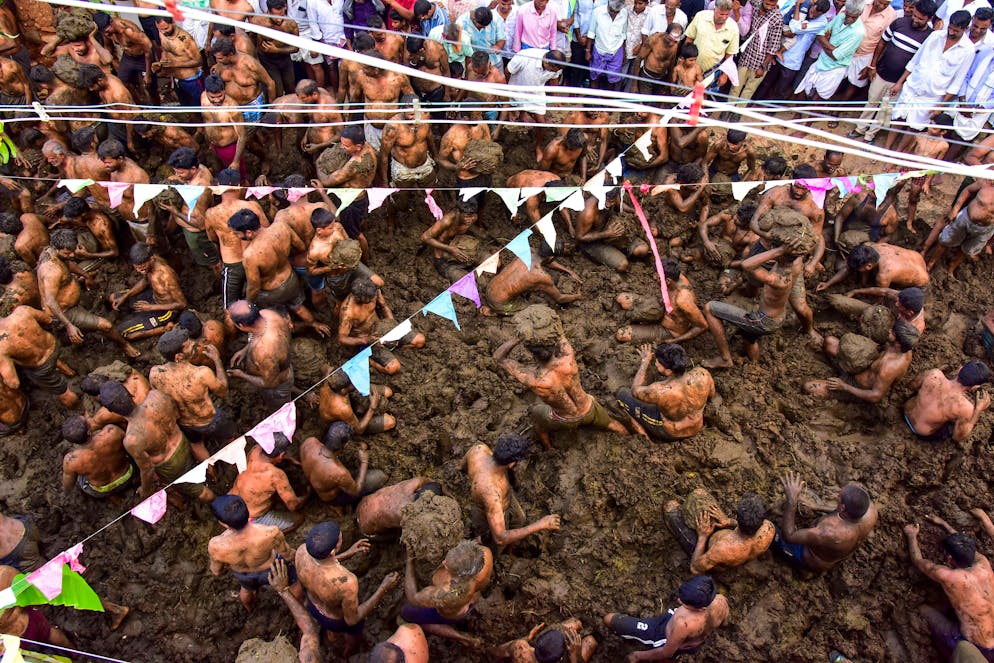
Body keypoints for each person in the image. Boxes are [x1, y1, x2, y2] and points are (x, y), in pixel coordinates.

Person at [493, 326, 629, 448]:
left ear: (533, 355)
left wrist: (518, 338)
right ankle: (629, 439)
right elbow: (559, 331)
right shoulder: (567, 358)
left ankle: (548, 448)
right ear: (553, 348)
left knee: (536, 418)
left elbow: (498, 357)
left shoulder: (534, 380)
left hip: (564, 420)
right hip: (589, 409)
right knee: (613, 424)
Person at [295, 521, 399, 657]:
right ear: (332, 551)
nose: (341, 536)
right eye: (339, 538)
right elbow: (352, 620)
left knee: (331, 628)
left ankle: (332, 636)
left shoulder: (302, 551)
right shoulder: (347, 582)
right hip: (335, 620)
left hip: (312, 605)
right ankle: (349, 652)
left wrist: (348, 553)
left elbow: (319, 565)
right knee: (354, 636)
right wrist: (384, 587)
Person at [99, 382, 214, 503]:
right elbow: (176, 413)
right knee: (199, 465)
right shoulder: (156, 396)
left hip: (170, 465)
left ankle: (216, 502)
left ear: (111, 410)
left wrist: (145, 490)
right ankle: (213, 476)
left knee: (197, 490)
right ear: (129, 393)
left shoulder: (132, 439)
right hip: (182, 440)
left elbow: (147, 469)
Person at [904, 512, 994, 660]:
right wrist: (943, 524)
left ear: (950, 558)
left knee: (921, 610)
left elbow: (918, 560)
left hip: (975, 646)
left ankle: (944, 653)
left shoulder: (948, 576)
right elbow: (966, 546)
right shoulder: (984, 563)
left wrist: (911, 535)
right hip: (991, 639)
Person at [37, 230, 139, 358]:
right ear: (56, 248)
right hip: (64, 311)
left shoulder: (55, 254)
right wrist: (69, 325)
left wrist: (86, 276)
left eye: (73, 250)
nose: (72, 254)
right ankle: (125, 345)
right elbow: (50, 301)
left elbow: (68, 265)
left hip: (70, 301)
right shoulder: (51, 271)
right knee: (106, 325)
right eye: (68, 253)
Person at [847, 0, 936, 143]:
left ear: (929, 19)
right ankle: (860, 129)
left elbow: (919, 63)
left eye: (920, 18)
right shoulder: (899, 23)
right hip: (881, 73)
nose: (915, 19)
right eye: (915, 15)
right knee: (872, 102)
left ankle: (870, 135)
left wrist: (901, 83)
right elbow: (882, 42)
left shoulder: (930, 38)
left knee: (886, 110)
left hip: (901, 82)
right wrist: (873, 66)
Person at [702, 244, 804, 368]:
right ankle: (755, 365)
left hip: (762, 321)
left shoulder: (777, 278)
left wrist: (778, 250)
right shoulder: (795, 264)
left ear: (781, 255)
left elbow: (746, 265)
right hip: (776, 317)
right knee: (748, 336)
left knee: (710, 308)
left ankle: (725, 359)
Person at [886, 10, 974, 151]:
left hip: (932, 96)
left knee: (914, 126)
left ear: (965, 29)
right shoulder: (935, 36)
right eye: (950, 28)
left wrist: (940, 106)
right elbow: (915, 60)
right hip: (913, 86)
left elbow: (956, 83)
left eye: (955, 30)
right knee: (898, 118)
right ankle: (887, 148)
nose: (951, 32)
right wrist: (899, 83)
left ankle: (897, 152)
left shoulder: (968, 50)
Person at [603, 575, 729, 662]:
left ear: (701, 608)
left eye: (685, 603)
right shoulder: (720, 601)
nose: (679, 601)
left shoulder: (683, 624)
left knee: (609, 619)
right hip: (688, 639)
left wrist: (637, 656)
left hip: (662, 636)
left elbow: (666, 652)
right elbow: (724, 621)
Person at [462, 436, 561, 546]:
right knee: (493, 544)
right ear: (511, 464)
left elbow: (461, 467)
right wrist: (541, 524)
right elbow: (500, 539)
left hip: (503, 500)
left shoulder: (478, 450)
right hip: (488, 516)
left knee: (520, 519)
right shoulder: (492, 494)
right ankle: (481, 542)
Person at [207, 494, 297, 611]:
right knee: (294, 585)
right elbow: (288, 554)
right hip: (271, 570)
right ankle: (296, 605)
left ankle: (249, 608)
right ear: (248, 512)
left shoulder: (215, 546)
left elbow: (216, 571)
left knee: (246, 591)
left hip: (244, 576)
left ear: (223, 523)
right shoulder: (270, 533)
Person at [774, 473, 878, 572]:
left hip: (811, 557)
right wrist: (817, 507)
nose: (836, 496)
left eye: (839, 497)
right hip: (838, 549)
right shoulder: (871, 512)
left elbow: (789, 536)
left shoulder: (829, 532)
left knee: (772, 532)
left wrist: (791, 499)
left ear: (842, 508)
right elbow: (842, 512)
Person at [401, 539, 493, 646]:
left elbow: (413, 598)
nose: (443, 562)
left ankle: (461, 637)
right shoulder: (484, 553)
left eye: (447, 565)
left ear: (461, 575)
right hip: (471, 600)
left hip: (448, 612)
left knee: (406, 613)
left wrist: (410, 559)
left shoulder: (448, 593)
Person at [615, 343, 715, 441]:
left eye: (658, 363)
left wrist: (645, 362)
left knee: (622, 394)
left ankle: (644, 435)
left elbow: (635, 390)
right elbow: (711, 394)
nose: (656, 363)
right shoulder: (703, 374)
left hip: (671, 431)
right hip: (696, 426)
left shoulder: (659, 390)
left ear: (668, 371)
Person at [805, 318, 920, 402]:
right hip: (858, 365)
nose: (890, 331)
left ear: (898, 344)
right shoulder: (901, 347)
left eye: (893, 333)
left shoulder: (888, 368)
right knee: (829, 342)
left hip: (855, 385)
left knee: (809, 387)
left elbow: (875, 396)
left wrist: (844, 387)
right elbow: (878, 347)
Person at [664, 490, 775, 573]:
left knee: (670, 507)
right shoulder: (768, 529)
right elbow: (747, 529)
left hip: (711, 555)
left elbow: (694, 568)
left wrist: (703, 536)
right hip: (733, 552)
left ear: (737, 516)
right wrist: (728, 521)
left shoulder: (722, 549)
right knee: (700, 493)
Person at [204, 172, 271, 309]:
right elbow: (266, 229)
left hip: (232, 263)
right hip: (256, 257)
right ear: (240, 186)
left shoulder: (211, 213)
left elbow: (212, 238)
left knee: (230, 307)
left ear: (218, 186)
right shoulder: (252, 206)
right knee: (262, 297)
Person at [0, 304, 78, 409]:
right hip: (53, 346)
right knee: (49, 359)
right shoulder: (22, 311)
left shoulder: (1, 347)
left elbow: (14, 383)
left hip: (41, 365)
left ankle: (78, 407)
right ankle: (69, 372)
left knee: (62, 392)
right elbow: (48, 320)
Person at [482, 239, 582, 316]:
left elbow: (546, 261)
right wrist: (578, 296)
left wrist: (569, 271)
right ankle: (494, 312)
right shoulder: (541, 276)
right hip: (499, 303)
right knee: (542, 307)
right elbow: (560, 298)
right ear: (551, 257)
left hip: (489, 288)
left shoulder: (527, 250)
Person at [110, 242, 187, 341]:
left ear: (151, 259)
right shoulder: (148, 265)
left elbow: (182, 304)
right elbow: (145, 280)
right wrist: (126, 296)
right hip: (152, 296)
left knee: (122, 332)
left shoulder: (166, 276)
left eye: (141, 267)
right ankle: (137, 315)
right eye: (136, 267)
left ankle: (164, 329)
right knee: (113, 298)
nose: (138, 271)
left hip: (165, 311)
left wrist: (151, 307)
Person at [794, 0, 866, 104]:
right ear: (845, 10)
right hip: (820, 62)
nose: (850, 19)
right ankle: (798, 112)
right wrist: (832, 47)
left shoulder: (858, 33)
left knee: (819, 100)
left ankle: (809, 115)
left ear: (860, 14)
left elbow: (836, 56)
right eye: (848, 15)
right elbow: (820, 34)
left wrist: (826, 42)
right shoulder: (840, 17)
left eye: (853, 17)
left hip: (834, 69)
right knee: (803, 91)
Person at [921, 177, 994, 279]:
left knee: (968, 250)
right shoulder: (986, 183)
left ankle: (951, 269)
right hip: (966, 218)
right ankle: (931, 263)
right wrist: (955, 210)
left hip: (986, 228)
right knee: (945, 240)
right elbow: (968, 190)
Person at [227, 301, 295, 409]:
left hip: (277, 387)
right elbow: (257, 335)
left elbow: (271, 383)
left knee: (280, 409)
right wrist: (245, 350)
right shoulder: (269, 314)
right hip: (280, 366)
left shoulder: (263, 352)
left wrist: (241, 375)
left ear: (241, 326)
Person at [903, 360, 992, 442]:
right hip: (920, 431)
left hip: (906, 411)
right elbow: (958, 437)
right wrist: (978, 410)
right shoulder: (964, 407)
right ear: (975, 386)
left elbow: (911, 386)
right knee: (949, 429)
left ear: (960, 369)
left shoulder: (934, 374)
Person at [300, 422, 386, 503]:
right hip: (331, 496)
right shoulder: (340, 473)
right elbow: (355, 491)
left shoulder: (309, 442)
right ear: (344, 445)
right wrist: (364, 462)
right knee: (381, 476)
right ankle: (336, 505)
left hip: (317, 482)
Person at [504, 49, 565, 159]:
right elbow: (507, 71)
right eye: (551, 69)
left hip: (536, 93)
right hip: (517, 89)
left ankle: (538, 147)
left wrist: (556, 98)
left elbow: (554, 78)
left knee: (541, 123)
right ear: (546, 62)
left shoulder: (556, 66)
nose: (553, 72)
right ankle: (522, 114)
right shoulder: (524, 57)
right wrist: (509, 90)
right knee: (515, 112)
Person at [163, 147, 217, 269]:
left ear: (193, 169)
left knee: (212, 263)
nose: (177, 175)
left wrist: (175, 212)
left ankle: (215, 274)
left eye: (181, 173)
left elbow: (201, 224)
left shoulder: (198, 191)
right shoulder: (200, 167)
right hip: (187, 222)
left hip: (197, 234)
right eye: (176, 172)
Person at [60, 414, 134, 499]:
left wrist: (65, 493)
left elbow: (68, 484)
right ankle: (134, 481)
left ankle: (113, 497)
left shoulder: (70, 461)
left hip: (102, 490)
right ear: (89, 431)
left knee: (78, 477)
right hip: (127, 476)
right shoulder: (112, 432)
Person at [816, 242, 930, 292]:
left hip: (921, 281)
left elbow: (881, 294)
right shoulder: (872, 247)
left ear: (869, 266)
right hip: (917, 257)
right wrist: (828, 284)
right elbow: (853, 268)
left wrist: (858, 291)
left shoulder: (884, 275)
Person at [732, 0, 784, 100]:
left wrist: (763, 67)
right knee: (735, 86)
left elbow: (773, 47)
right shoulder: (756, 4)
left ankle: (738, 110)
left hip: (761, 61)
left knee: (748, 91)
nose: (769, 7)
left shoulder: (777, 18)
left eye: (772, 5)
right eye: (767, 4)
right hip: (747, 55)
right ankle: (727, 108)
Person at [357, 478, 443, 537]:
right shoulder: (407, 513)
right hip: (368, 525)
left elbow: (425, 480)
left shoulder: (409, 487)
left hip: (364, 505)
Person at [152, 17, 203, 107]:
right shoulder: (162, 33)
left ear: (173, 22)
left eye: (166, 28)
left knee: (199, 107)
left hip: (191, 80)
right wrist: (161, 63)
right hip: (177, 80)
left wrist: (175, 64)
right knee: (185, 106)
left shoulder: (185, 39)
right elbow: (165, 50)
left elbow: (198, 61)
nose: (163, 32)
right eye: (160, 29)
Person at [490, 619, 598, 662]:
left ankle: (575, 626)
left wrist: (527, 638)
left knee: (575, 624)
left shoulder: (520, 646)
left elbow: (493, 652)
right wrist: (575, 656)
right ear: (560, 658)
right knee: (591, 642)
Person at [684, 0, 740, 83]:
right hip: (691, 67)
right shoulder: (700, 16)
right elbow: (689, 39)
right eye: (721, 14)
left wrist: (725, 75)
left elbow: (730, 55)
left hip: (712, 73)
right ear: (715, 9)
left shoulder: (733, 28)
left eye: (727, 14)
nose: (724, 17)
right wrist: (683, 62)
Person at [586, 0, 629, 91]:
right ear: (608, 3)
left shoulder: (624, 13)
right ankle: (594, 97)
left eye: (616, 12)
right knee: (595, 76)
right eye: (611, 11)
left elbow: (623, 34)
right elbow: (591, 32)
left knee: (612, 79)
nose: (613, 14)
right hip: (599, 49)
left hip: (616, 51)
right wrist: (588, 51)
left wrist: (624, 52)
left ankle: (607, 98)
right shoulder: (597, 12)